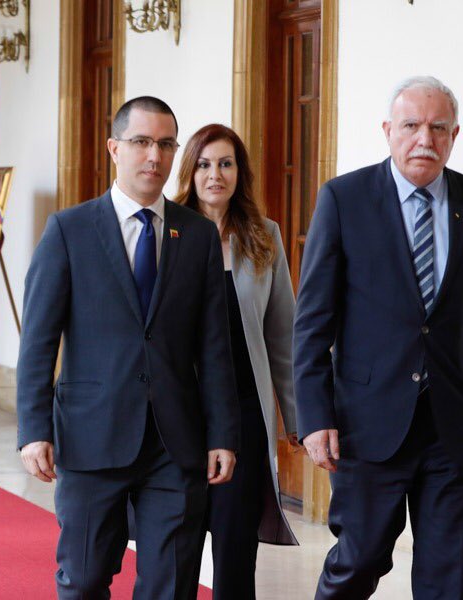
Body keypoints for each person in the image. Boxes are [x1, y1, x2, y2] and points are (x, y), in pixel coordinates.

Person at [293, 76, 463, 599]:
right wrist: (315, 416)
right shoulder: (344, 199)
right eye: (411, 125)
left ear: (454, 134)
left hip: (454, 425)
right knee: (360, 558)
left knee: (444, 574)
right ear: (388, 130)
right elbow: (312, 321)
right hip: (366, 423)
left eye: (438, 128)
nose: (425, 139)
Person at [16, 96, 240, 600]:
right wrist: (34, 430)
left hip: (174, 441)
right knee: (84, 578)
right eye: (141, 142)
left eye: (165, 144)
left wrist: (223, 434)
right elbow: (38, 340)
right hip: (91, 437)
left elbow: (214, 345)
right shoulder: (69, 230)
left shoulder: (197, 235)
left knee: (170, 585)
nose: (154, 156)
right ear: (114, 148)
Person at [174, 124, 301, 598]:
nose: (215, 175)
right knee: (179, 543)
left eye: (226, 164)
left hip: (245, 410)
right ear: (190, 172)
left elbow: (283, 335)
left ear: (239, 172)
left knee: (235, 543)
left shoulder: (264, 236)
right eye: (204, 164)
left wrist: (299, 415)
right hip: (181, 410)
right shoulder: (168, 232)